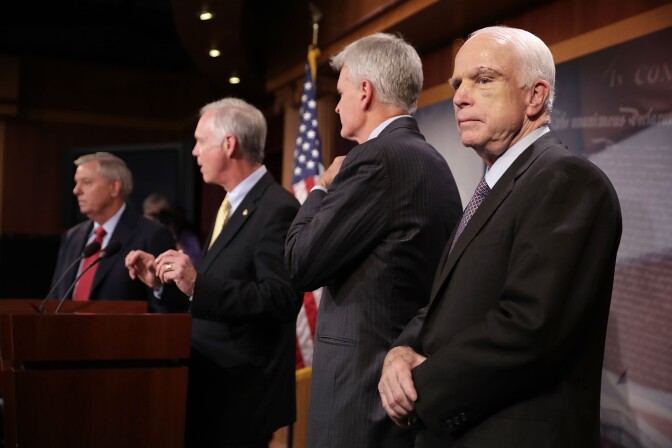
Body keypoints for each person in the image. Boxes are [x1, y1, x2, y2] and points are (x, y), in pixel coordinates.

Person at [378, 26, 622, 448]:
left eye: (483, 79)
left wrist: (418, 386)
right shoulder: (492, 187)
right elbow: (449, 304)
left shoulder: (568, 180)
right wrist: (400, 351)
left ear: (536, 95)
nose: (459, 96)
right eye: (457, 83)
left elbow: (530, 328)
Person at [285, 33, 462, 448]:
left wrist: (320, 189)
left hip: (358, 397)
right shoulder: (432, 161)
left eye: (342, 92)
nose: (339, 103)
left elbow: (299, 262)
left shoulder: (375, 159)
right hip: (391, 389)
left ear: (365, 92)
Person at [125, 98, 301, 447]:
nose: (194, 151)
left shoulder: (277, 208)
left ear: (229, 143)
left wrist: (196, 284)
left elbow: (281, 298)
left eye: (199, 141)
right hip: (211, 388)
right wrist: (163, 284)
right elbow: (213, 291)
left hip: (241, 397)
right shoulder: (230, 205)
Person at [47, 152, 176, 312]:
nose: (76, 190)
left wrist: (159, 286)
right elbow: (55, 297)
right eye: (76, 183)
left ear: (114, 187)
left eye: (86, 182)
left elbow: (168, 306)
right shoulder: (72, 236)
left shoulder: (153, 234)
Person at [143, 192, 202, 265]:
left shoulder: (187, 238)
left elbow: (193, 264)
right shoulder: (140, 238)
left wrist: (173, 236)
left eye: (163, 215)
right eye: (153, 215)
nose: (158, 219)